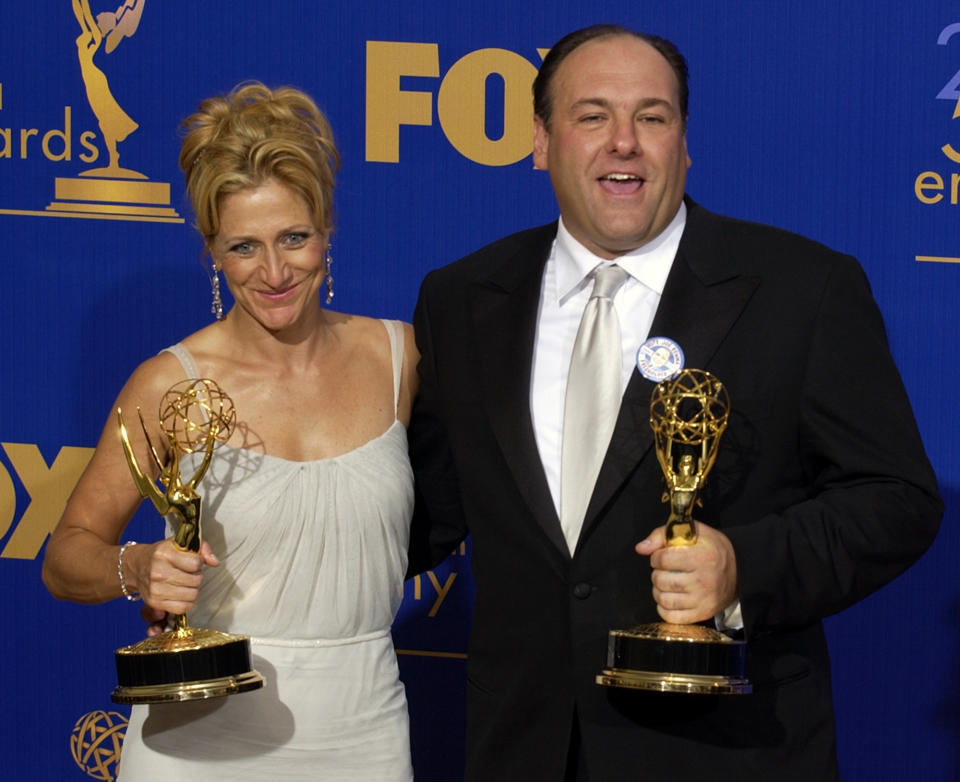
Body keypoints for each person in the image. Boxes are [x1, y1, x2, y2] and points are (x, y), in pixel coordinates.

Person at [407, 25, 943, 781]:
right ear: (540, 141)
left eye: (651, 117)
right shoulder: (462, 297)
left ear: (683, 143)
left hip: (724, 751)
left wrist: (742, 567)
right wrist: (240, 571)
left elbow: (896, 499)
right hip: (523, 749)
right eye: (592, 116)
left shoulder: (802, 289)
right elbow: (424, 510)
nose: (623, 142)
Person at [42, 82, 418, 781]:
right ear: (211, 250)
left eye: (294, 238)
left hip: (363, 732)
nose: (274, 272)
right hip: (198, 741)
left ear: (327, 229)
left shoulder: (401, 359)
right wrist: (136, 569)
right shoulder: (169, 383)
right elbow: (65, 557)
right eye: (244, 247)